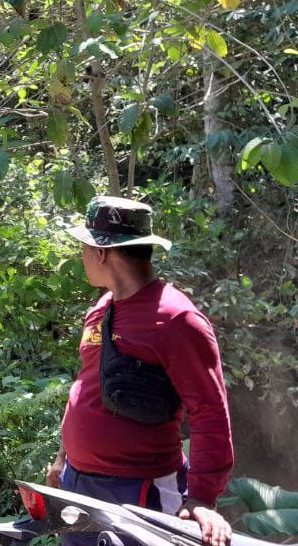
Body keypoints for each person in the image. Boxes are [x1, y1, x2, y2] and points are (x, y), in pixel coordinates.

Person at [50, 196, 234, 546]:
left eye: (84, 247)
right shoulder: (102, 309)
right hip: (79, 483)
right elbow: (86, 383)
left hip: (140, 490)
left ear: (101, 252)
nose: (82, 256)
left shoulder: (176, 319)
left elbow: (209, 411)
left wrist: (201, 498)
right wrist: (63, 458)